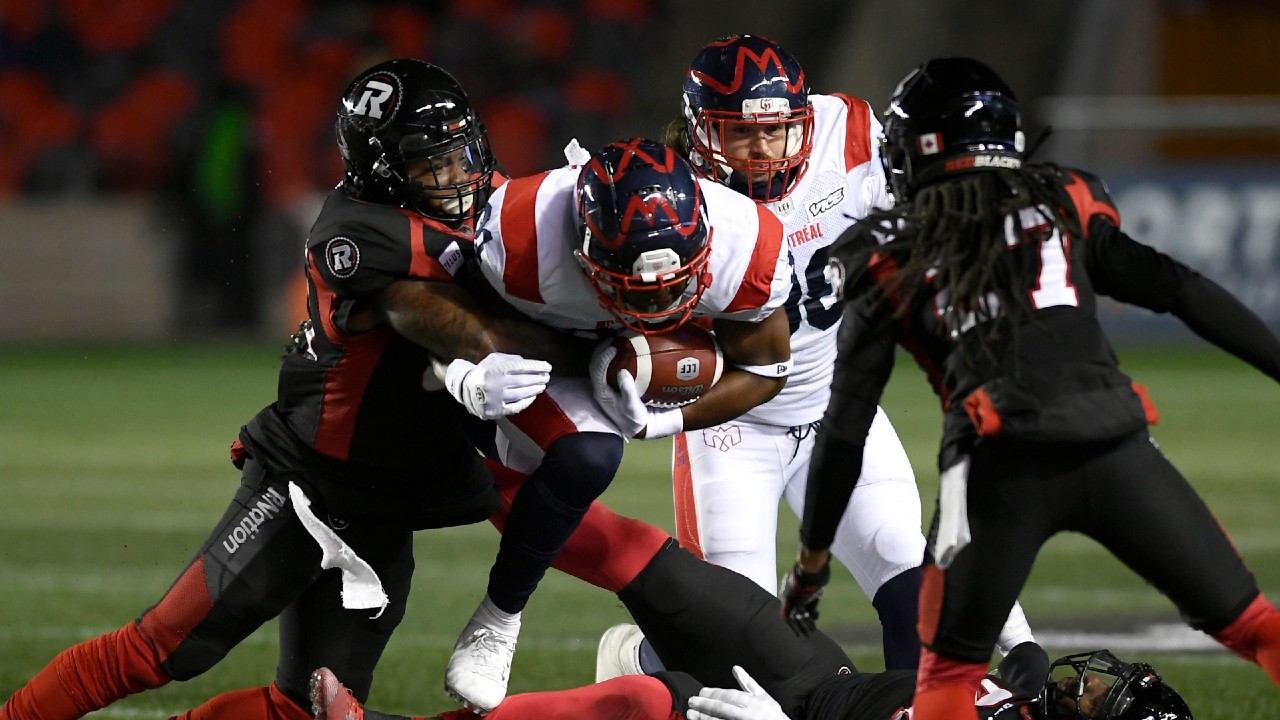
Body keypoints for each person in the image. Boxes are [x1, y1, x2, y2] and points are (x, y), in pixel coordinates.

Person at [0, 58, 587, 720]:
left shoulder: (479, 202)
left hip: (385, 504)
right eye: (431, 162)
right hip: (307, 485)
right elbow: (457, 325)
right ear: (383, 169)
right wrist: (594, 345)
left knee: (302, 712)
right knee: (159, 649)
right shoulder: (359, 233)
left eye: (460, 153)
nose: (456, 175)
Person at [781, 56, 1280, 720]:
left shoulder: (885, 247)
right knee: (1254, 627)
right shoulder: (1063, 197)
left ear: (919, 147)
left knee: (948, 684)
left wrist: (812, 561)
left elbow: (845, 427)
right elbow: (1179, 288)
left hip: (993, 472)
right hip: (1113, 445)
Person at [596, 34, 1032, 677]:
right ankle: (638, 660)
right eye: (740, 134)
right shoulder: (672, 193)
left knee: (909, 584)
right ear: (699, 132)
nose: (764, 148)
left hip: (836, 403)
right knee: (733, 640)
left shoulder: (849, 134)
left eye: (779, 130)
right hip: (731, 427)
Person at [309, 460, 1192, 720]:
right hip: (817, 673)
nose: (1091, 685)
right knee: (640, 555)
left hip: (792, 718)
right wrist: (1022, 640)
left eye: (1105, 704)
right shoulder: (1034, 702)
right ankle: (447, 467)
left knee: (645, 706)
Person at [442, 136, 797, 713]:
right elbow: (442, 315)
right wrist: (462, 371)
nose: (656, 303)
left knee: (589, 456)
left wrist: (667, 423)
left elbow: (765, 367)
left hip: (613, 365)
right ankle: (501, 615)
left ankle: (495, 618)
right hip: (539, 351)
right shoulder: (523, 235)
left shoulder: (746, 244)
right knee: (492, 445)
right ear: (582, 249)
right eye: (635, 287)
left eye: (674, 282)